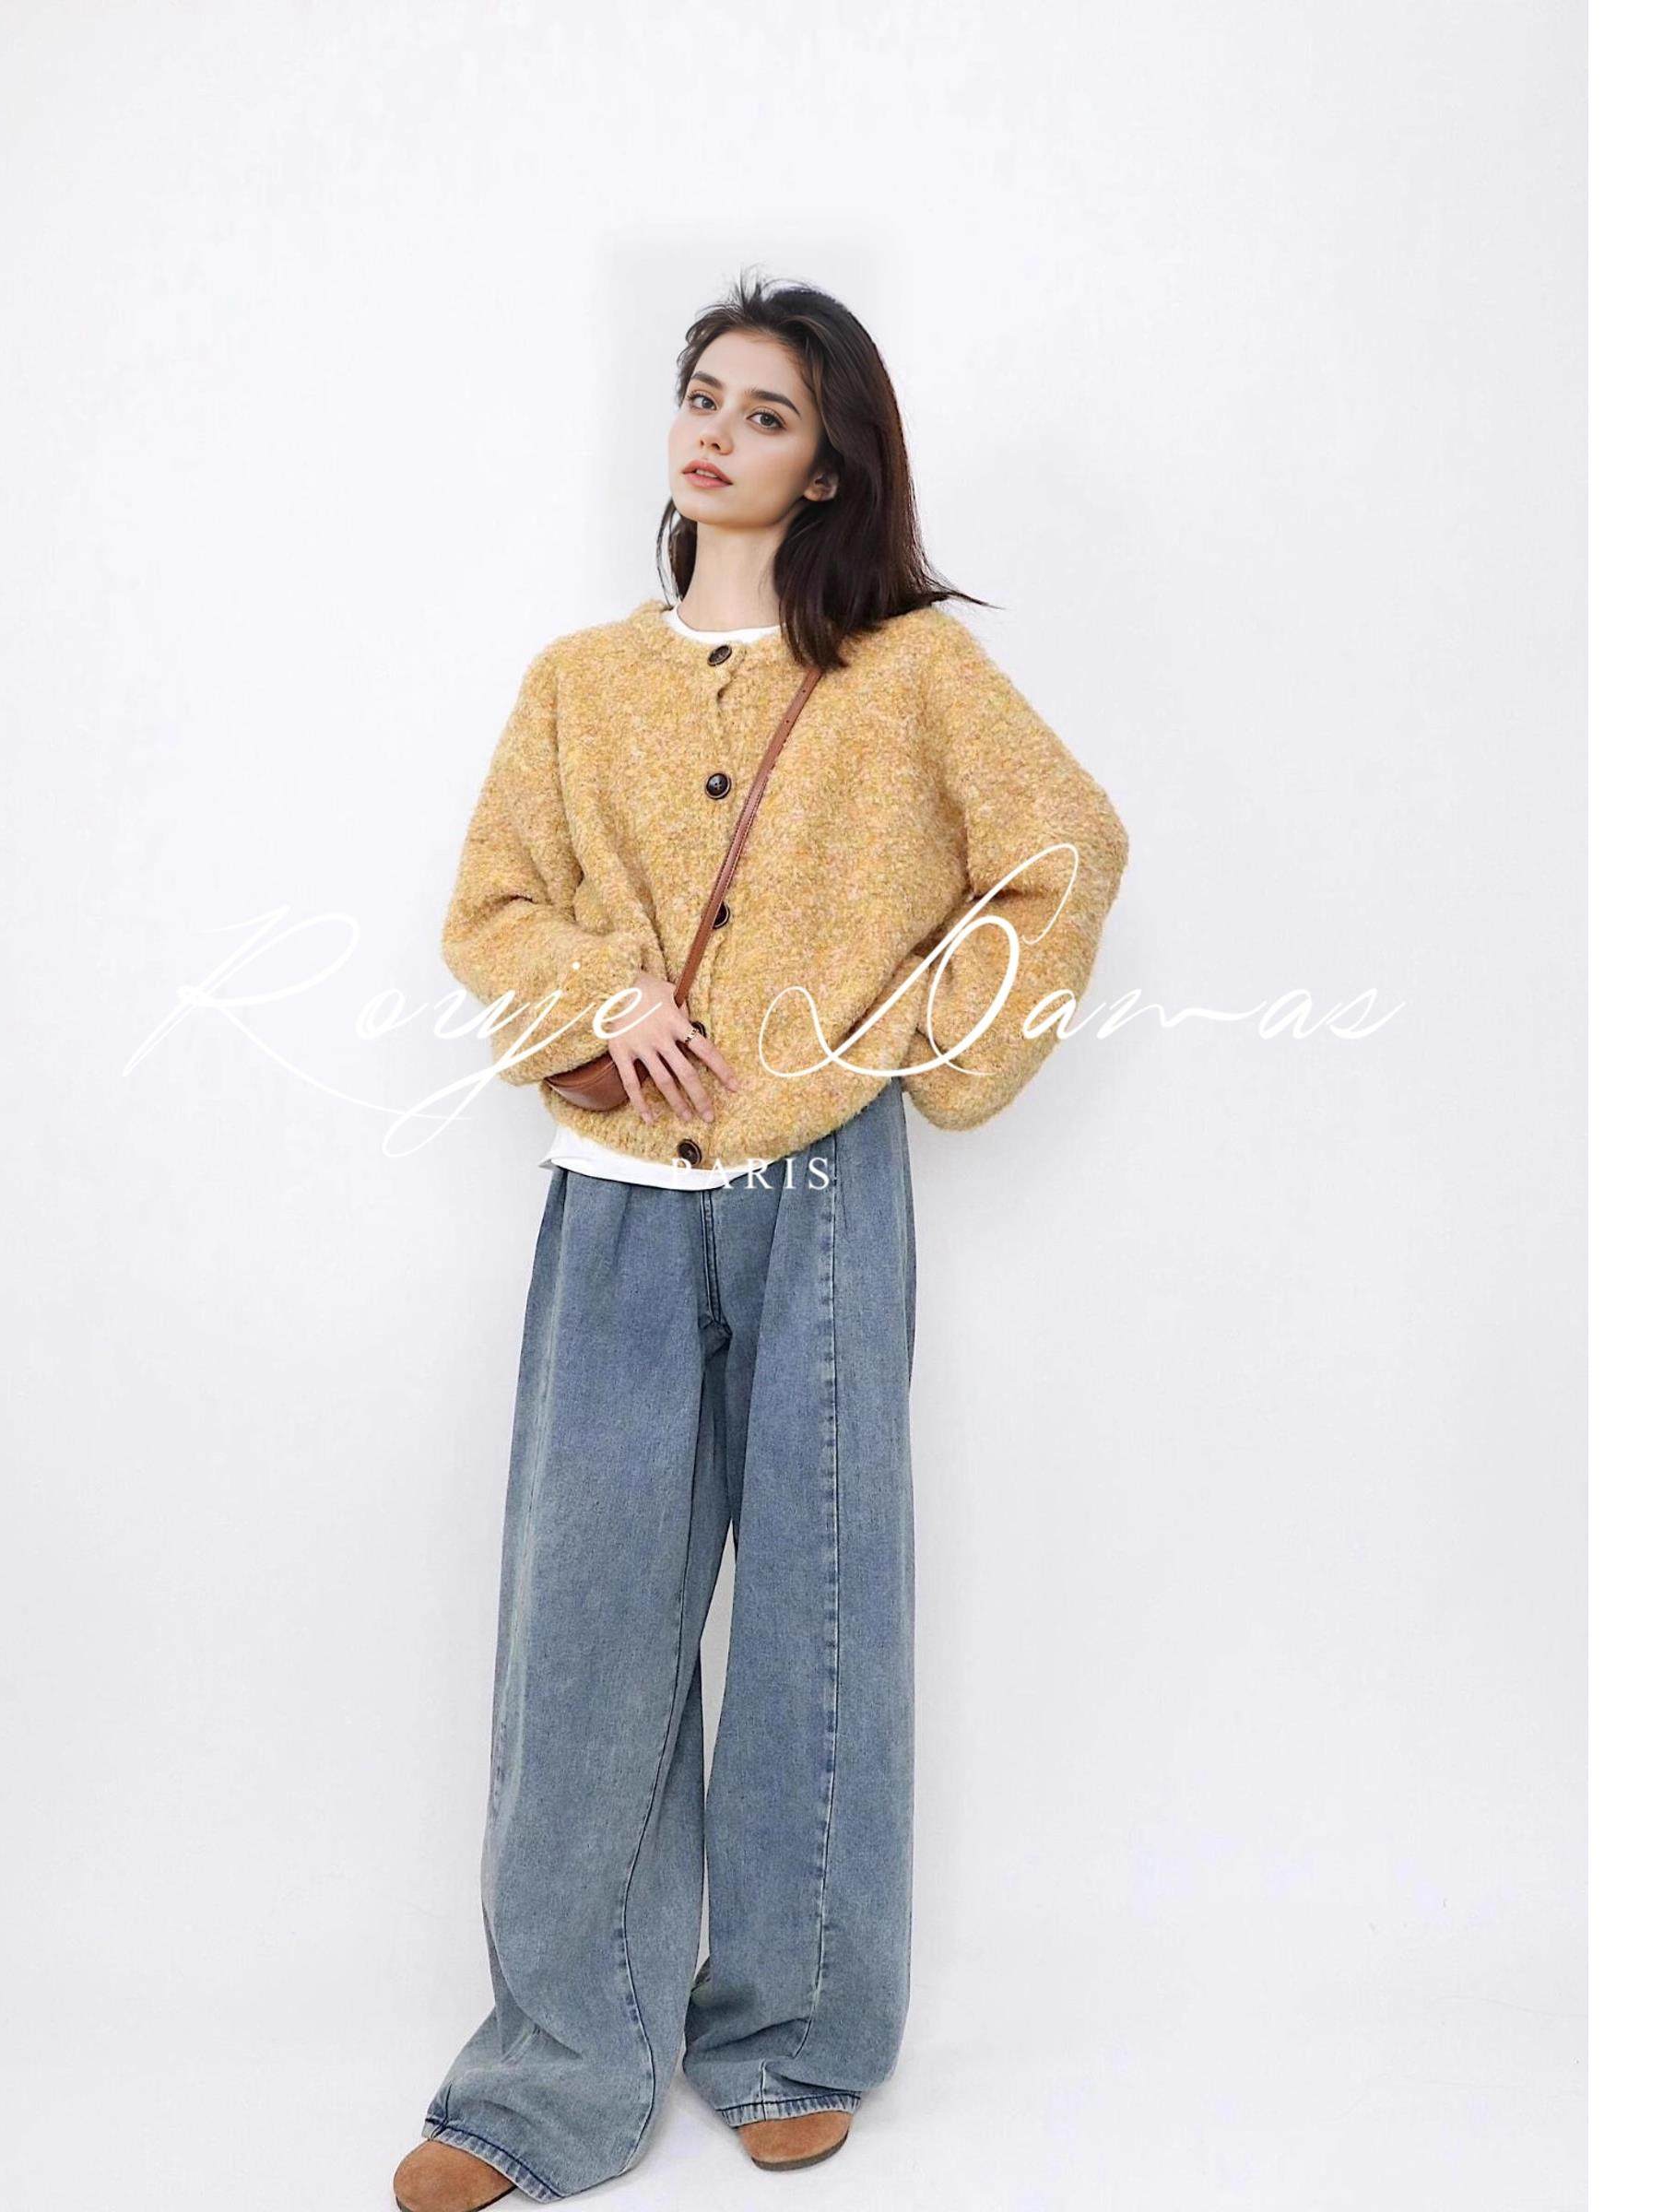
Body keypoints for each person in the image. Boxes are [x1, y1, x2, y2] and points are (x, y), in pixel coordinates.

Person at [395, 274, 1130, 2212]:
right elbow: (492, 909)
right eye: (701, 397)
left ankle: (793, 2032)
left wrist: (914, 1047)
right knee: (585, 1630)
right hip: (617, 1199)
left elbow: (1064, 847)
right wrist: (600, 990)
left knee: (820, 1607)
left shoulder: (910, 676)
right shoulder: (578, 682)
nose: (715, 434)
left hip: (821, 1193)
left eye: (767, 414)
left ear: (828, 469)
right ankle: (556, 2067)